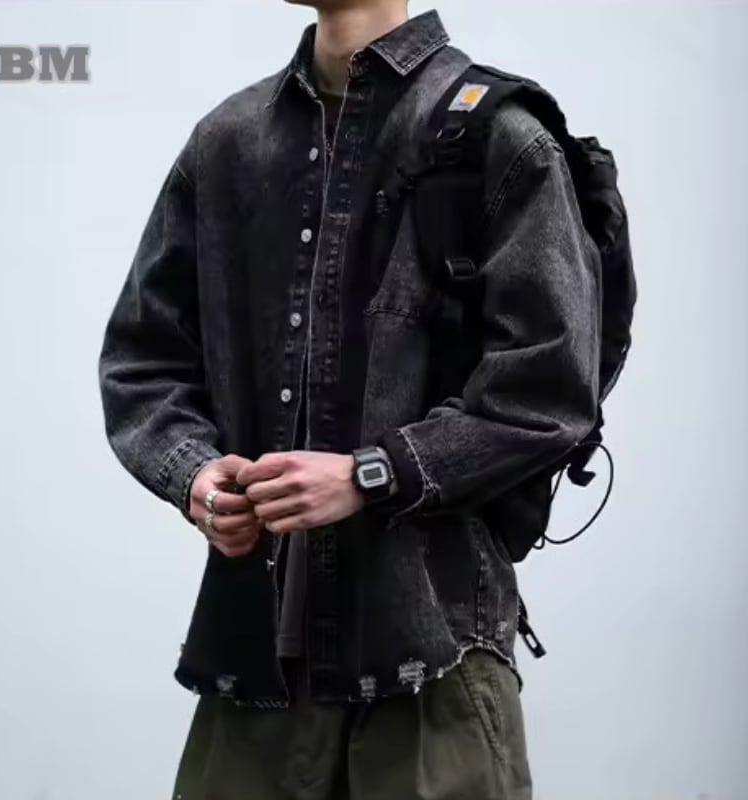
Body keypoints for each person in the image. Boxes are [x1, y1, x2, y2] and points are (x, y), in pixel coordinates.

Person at [98, 1, 601, 797]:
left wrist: (372, 473)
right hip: (254, 660)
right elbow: (142, 358)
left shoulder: (499, 136)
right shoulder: (229, 140)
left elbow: (551, 393)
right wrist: (194, 475)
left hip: (432, 658)